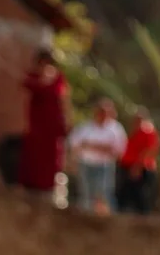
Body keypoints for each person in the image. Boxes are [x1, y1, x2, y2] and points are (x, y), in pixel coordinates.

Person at [18, 51, 70, 196]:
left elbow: (63, 99)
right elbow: (26, 88)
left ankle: (48, 188)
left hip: (52, 128)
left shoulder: (58, 78)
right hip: (36, 127)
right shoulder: (33, 77)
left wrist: (66, 121)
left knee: (50, 160)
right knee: (33, 158)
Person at [66, 99, 127, 215]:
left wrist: (89, 145)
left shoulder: (116, 129)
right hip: (85, 164)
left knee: (104, 192)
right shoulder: (85, 127)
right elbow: (75, 145)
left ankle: (108, 219)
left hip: (105, 165)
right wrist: (101, 147)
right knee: (86, 192)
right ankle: (86, 217)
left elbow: (118, 150)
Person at [117, 107, 160, 215]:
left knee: (141, 195)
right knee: (125, 195)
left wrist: (138, 167)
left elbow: (150, 150)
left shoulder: (147, 131)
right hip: (127, 166)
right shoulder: (133, 131)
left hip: (140, 168)